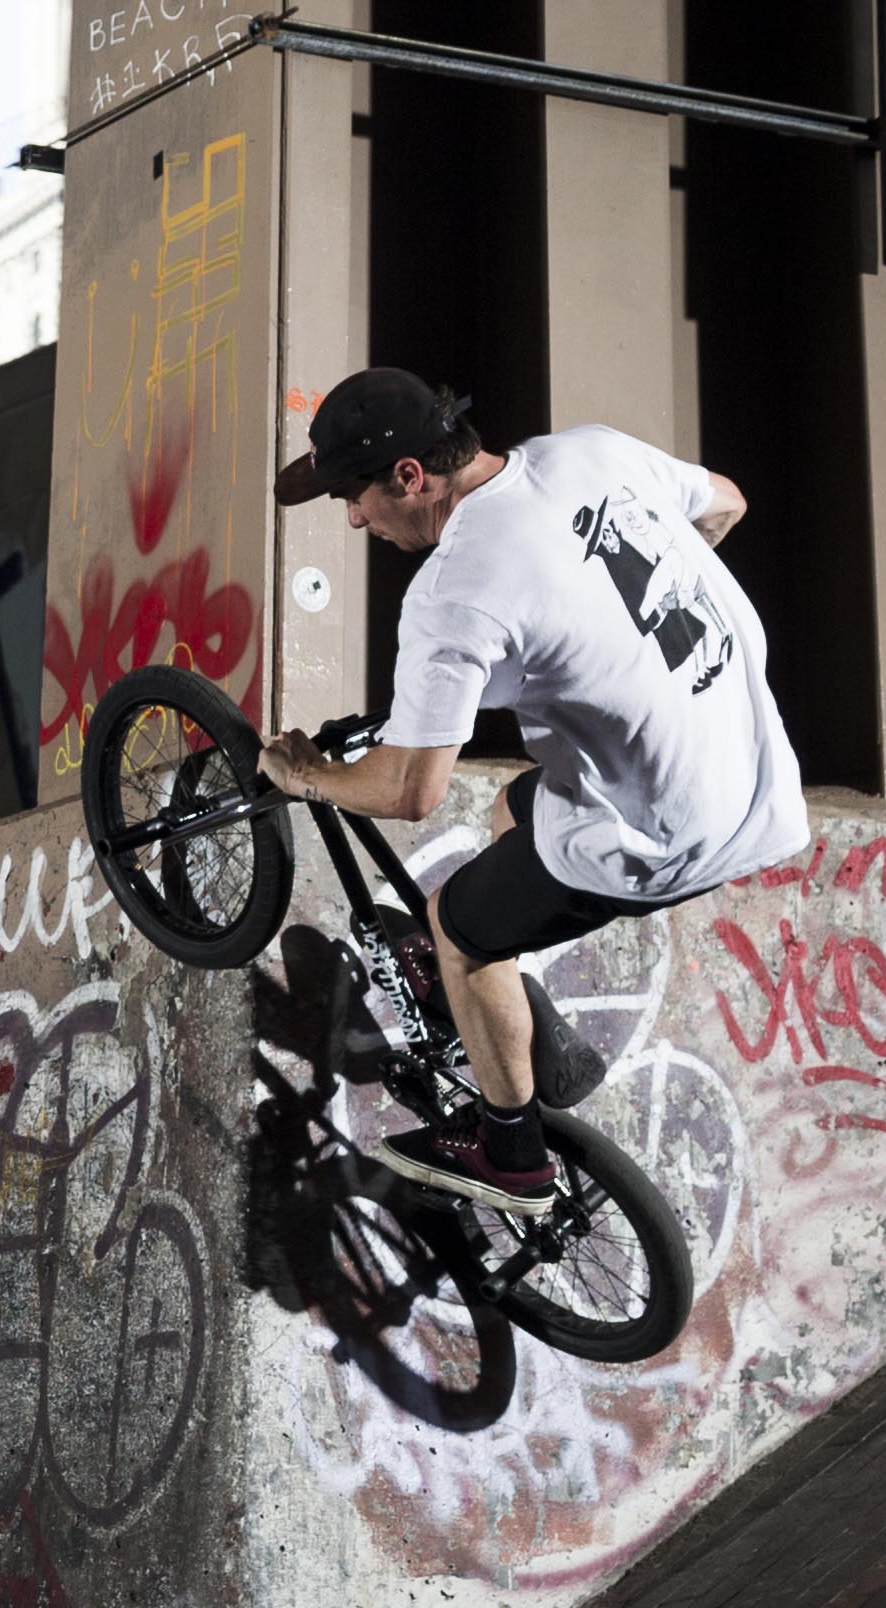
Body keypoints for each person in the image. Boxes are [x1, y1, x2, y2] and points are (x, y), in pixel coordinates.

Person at [254, 365, 806, 1213]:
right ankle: (517, 1020)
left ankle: (510, 1150)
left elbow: (410, 790)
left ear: (412, 476)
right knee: (516, 805)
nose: (357, 518)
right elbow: (724, 501)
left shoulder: (456, 589)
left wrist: (306, 775)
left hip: (661, 835)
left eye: (357, 496)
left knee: (459, 928)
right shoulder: (590, 452)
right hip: (757, 779)